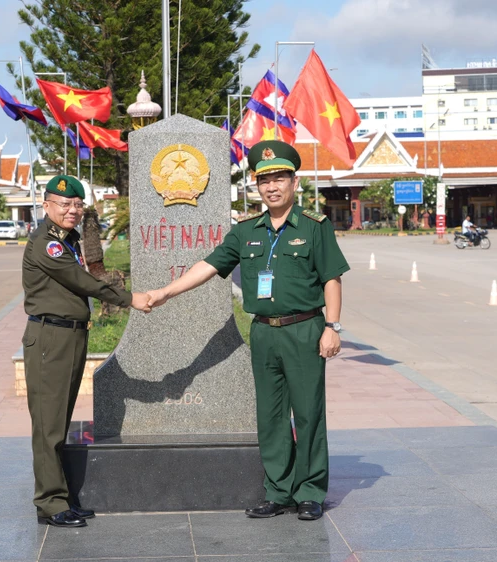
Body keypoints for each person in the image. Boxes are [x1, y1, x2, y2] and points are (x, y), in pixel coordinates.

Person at [146, 140, 350, 522]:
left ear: (294, 182)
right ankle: (279, 491)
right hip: (264, 333)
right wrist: (165, 292)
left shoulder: (314, 227)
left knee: (307, 414)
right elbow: (207, 265)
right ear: (256, 185)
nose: (272, 187)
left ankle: (309, 491)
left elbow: (332, 279)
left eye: (280, 178)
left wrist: (332, 327)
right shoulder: (246, 232)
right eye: (264, 180)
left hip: (305, 329)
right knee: (271, 415)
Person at [22, 175, 153, 529]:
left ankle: (59, 498)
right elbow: (81, 281)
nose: (72, 210)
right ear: (46, 205)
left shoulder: (69, 240)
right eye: (64, 204)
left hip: (69, 336)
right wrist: (129, 299)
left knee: (59, 420)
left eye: (77, 205)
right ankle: (50, 503)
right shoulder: (46, 244)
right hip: (51, 338)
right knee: (49, 426)